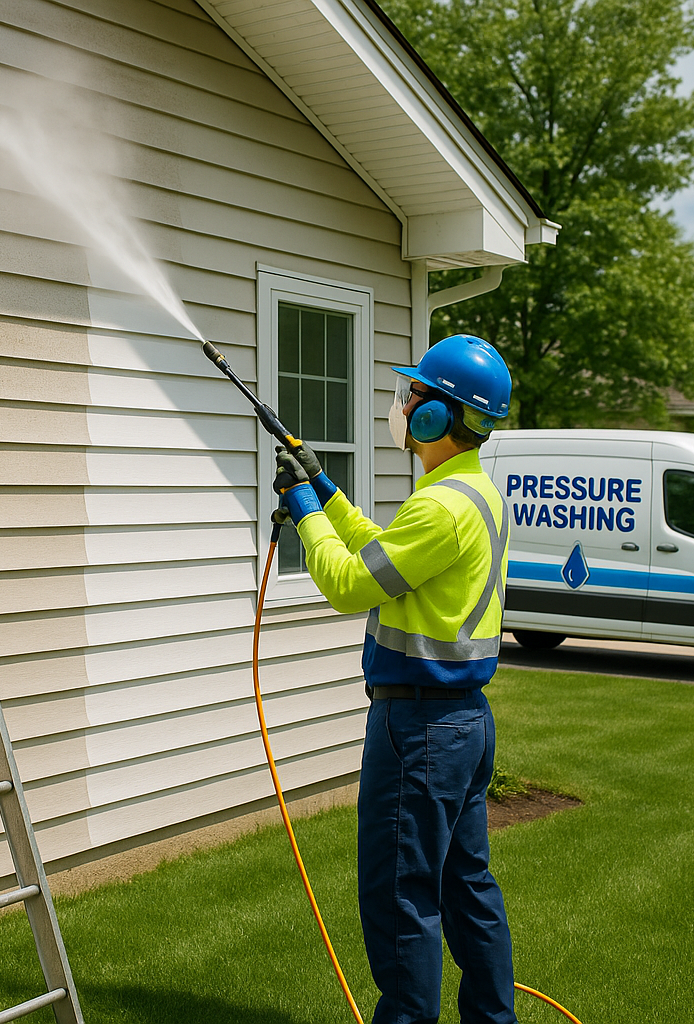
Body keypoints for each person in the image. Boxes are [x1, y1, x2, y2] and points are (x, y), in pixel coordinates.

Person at [273, 334, 516, 1024]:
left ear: (438, 417)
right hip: (461, 723)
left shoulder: (440, 508)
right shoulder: (469, 494)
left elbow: (353, 585)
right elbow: (388, 555)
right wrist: (324, 488)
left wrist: (302, 512)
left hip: (419, 729)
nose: (401, 403)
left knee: (400, 896)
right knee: (467, 888)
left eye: (413, 393)